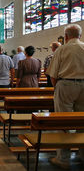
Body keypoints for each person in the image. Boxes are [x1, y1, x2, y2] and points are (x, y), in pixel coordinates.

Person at [46, 24, 84, 169]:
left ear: (66, 36)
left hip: (66, 85)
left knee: (63, 121)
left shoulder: (61, 49)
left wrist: (58, 89)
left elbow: (53, 75)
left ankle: (63, 158)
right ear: (80, 35)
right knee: (83, 121)